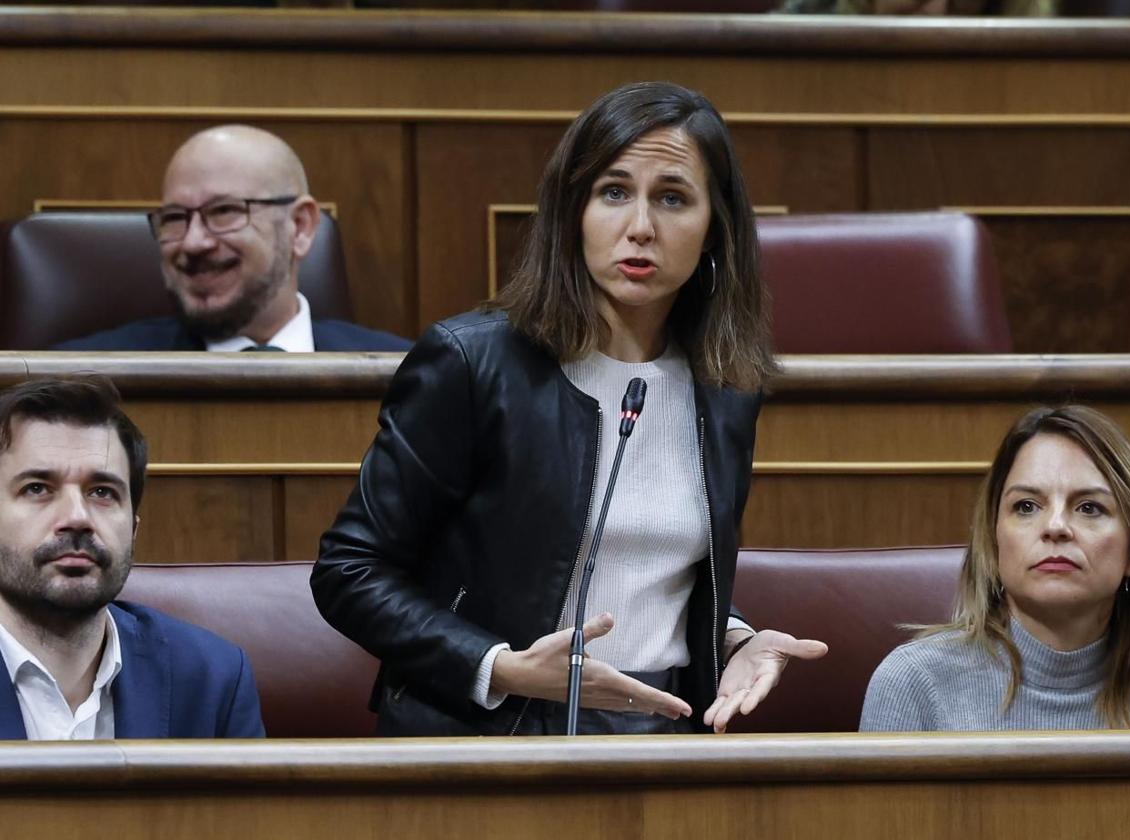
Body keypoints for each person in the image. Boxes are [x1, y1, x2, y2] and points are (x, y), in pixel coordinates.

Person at [311, 81, 827, 737]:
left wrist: (732, 640)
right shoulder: (473, 363)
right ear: (573, 210)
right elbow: (350, 572)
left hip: (664, 732)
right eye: (614, 192)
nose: (640, 226)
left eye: (672, 198)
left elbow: (655, 574)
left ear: (715, 228)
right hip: (489, 736)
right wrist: (498, 665)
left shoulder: (726, 384)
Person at [860, 405, 1130, 731]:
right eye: (1026, 506)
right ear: (994, 544)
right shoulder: (913, 684)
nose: (1055, 526)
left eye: (1089, 508)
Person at [0, 376, 264, 739]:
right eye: (37, 489)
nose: (78, 517)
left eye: (102, 492)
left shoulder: (210, 679)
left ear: (134, 529)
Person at [55, 125, 411, 352]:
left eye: (224, 212)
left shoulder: (407, 376)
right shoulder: (84, 379)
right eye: (175, 218)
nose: (193, 243)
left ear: (300, 227)